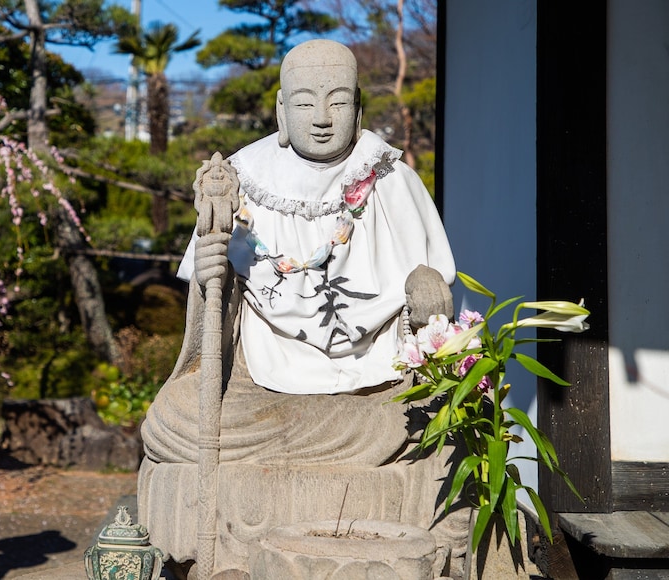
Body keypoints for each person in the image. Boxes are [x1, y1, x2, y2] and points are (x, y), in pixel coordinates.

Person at [138, 39, 466, 579]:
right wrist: (209, 277)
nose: (320, 118)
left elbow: (431, 310)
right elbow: (210, 341)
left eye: (337, 102)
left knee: (427, 417)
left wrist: (427, 291)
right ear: (280, 110)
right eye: (305, 101)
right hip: (262, 389)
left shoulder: (391, 179)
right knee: (174, 418)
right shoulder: (242, 182)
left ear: (359, 108)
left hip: (374, 390)